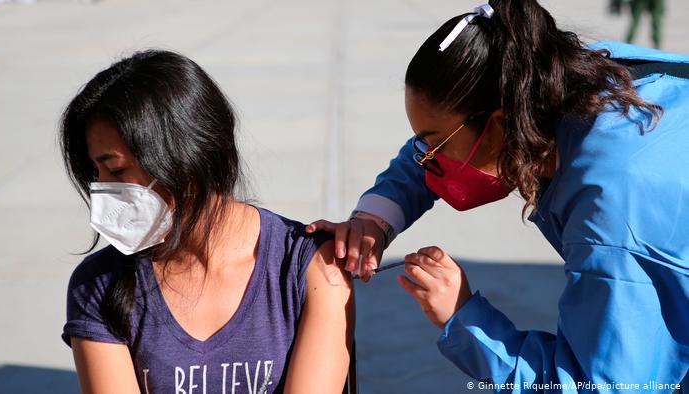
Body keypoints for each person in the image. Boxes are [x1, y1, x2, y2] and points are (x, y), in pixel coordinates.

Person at [306, 0, 689, 391]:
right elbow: (432, 141)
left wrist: (463, 318)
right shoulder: (554, 77)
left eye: (434, 146)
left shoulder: (613, 208)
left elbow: (601, 384)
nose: (426, 159)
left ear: (500, 124)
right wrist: (375, 218)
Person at [60, 50, 354, 394]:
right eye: (97, 172)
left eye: (117, 169)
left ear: (189, 152)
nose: (104, 190)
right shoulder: (99, 284)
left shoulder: (311, 266)